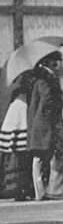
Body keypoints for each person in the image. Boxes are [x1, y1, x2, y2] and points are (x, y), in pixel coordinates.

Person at [26, 50, 63, 201]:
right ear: (49, 62)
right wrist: (60, 102)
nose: (60, 65)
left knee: (42, 156)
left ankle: (46, 190)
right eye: (57, 61)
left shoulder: (45, 77)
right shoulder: (45, 79)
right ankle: (51, 189)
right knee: (49, 154)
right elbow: (48, 101)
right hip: (48, 123)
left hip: (45, 123)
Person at [0, 72, 34, 201]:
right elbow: (18, 122)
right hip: (19, 138)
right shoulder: (22, 102)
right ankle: (18, 190)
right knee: (20, 166)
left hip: (13, 137)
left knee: (16, 165)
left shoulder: (16, 100)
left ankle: (16, 189)